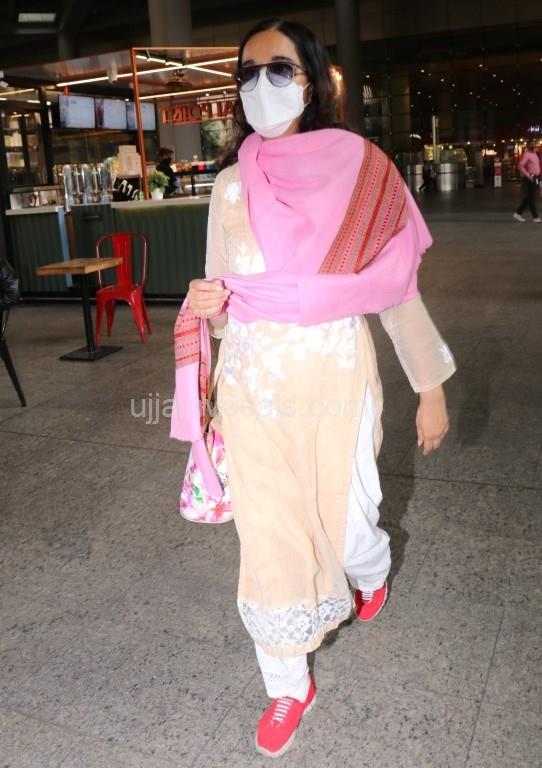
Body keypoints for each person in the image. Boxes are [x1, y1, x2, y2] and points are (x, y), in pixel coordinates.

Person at [180, 18, 456, 759]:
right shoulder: (230, 185)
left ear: (312, 79)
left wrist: (429, 386)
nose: (259, 85)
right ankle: (286, 683)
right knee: (269, 534)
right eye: (247, 73)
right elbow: (221, 297)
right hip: (252, 383)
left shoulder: (360, 170)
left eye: (278, 69)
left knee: (349, 522)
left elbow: (394, 290)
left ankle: (371, 571)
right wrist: (209, 304)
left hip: (335, 376)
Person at [513, 141, 541, 222]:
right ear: (528, 146)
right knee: (531, 197)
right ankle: (535, 217)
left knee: (530, 196)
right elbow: (520, 166)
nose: (534, 145)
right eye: (532, 144)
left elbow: (537, 165)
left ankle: (518, 213)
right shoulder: (526, 154)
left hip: (536, 177)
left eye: (534, 144)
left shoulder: (535, 154)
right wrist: (528, 175)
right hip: (531, 177)